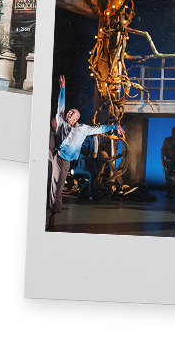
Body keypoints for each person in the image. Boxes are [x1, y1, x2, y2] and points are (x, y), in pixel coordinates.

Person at [48, 75, 122, 231]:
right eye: (68, 112)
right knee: (48, 132)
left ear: (76, 117)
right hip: (53, 151)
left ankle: (53, 214)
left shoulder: (82, 129)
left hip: (62, 160)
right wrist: (62, 89)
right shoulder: (61, 122)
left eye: (71, 113)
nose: (68, 113)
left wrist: (114, 126)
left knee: (57, 187)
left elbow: (100, 129)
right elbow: (60, 107)